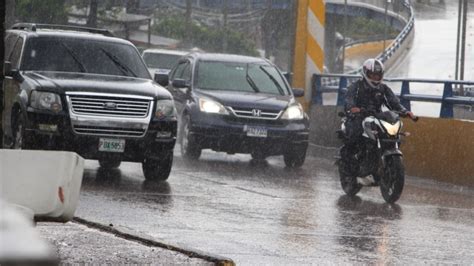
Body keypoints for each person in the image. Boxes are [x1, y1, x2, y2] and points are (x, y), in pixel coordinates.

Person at [343, 58, 415, 154]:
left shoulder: (383, 88)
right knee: (355, 133)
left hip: (376, 117)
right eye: (372, 75)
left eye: (378, 75)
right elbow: (349, 99)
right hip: (358, 116)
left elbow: (394, 102)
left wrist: (405, 112)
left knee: (391, 133)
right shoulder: (356, 86)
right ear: (365, 73)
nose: (375, 78)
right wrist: (352, 108)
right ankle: (350, 159)